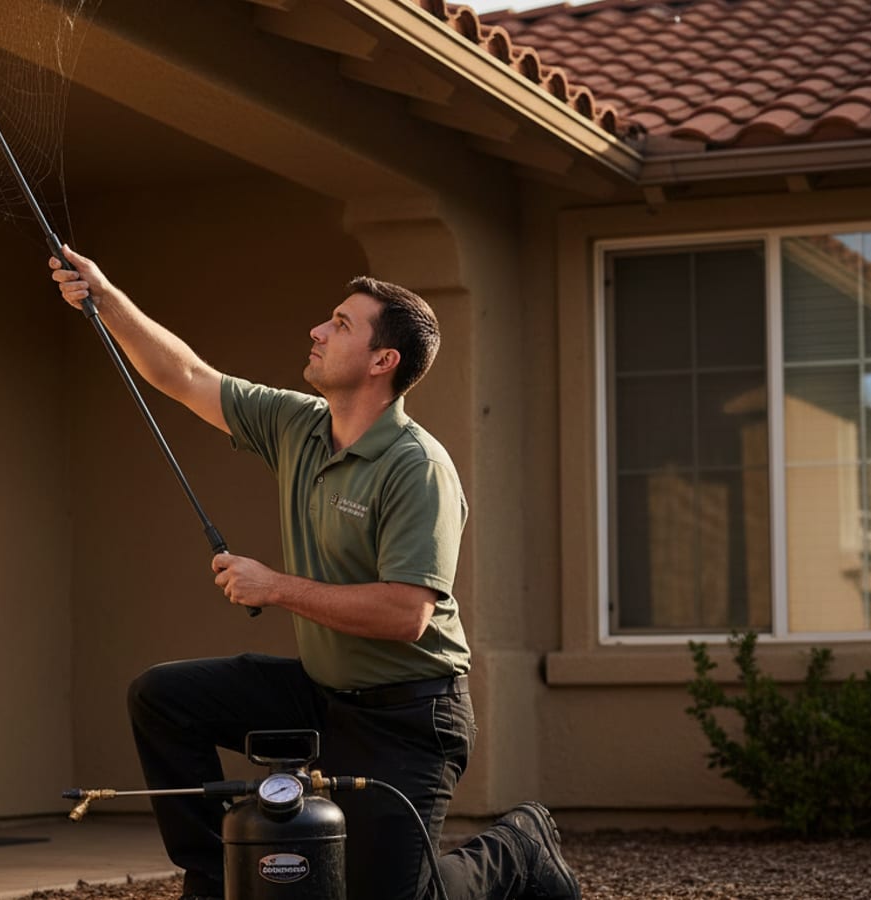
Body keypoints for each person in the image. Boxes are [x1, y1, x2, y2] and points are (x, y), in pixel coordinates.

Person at [50, 247, 581, 900]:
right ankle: (220, 879)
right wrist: (104, 295)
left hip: (410, 716)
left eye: (341, 324)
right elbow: (186, 374)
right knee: (164, 699)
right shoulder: (298, 425)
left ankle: (519, 847)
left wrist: (274, 587)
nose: (318, 331)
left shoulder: (417, 468)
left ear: (383, 361)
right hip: (322, 696)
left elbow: (404, 615)